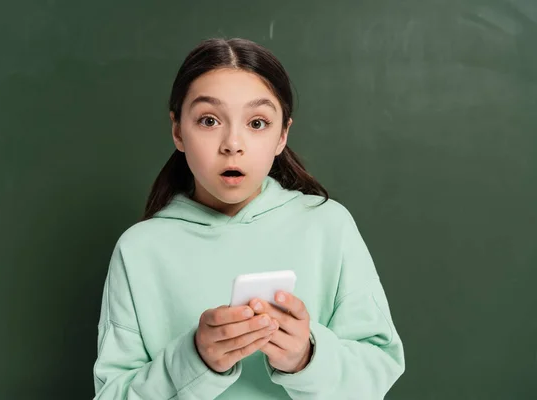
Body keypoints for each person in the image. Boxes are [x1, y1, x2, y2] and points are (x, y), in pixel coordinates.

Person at [92, 37, 405, 399]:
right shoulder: (139, 249)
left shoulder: (328, 226)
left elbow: (378, 370)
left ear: (282, 135)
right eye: (209, 120)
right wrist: (195, 359)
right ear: (178, 130)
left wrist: (307, 357)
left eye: (257, 123)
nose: (233, 143)